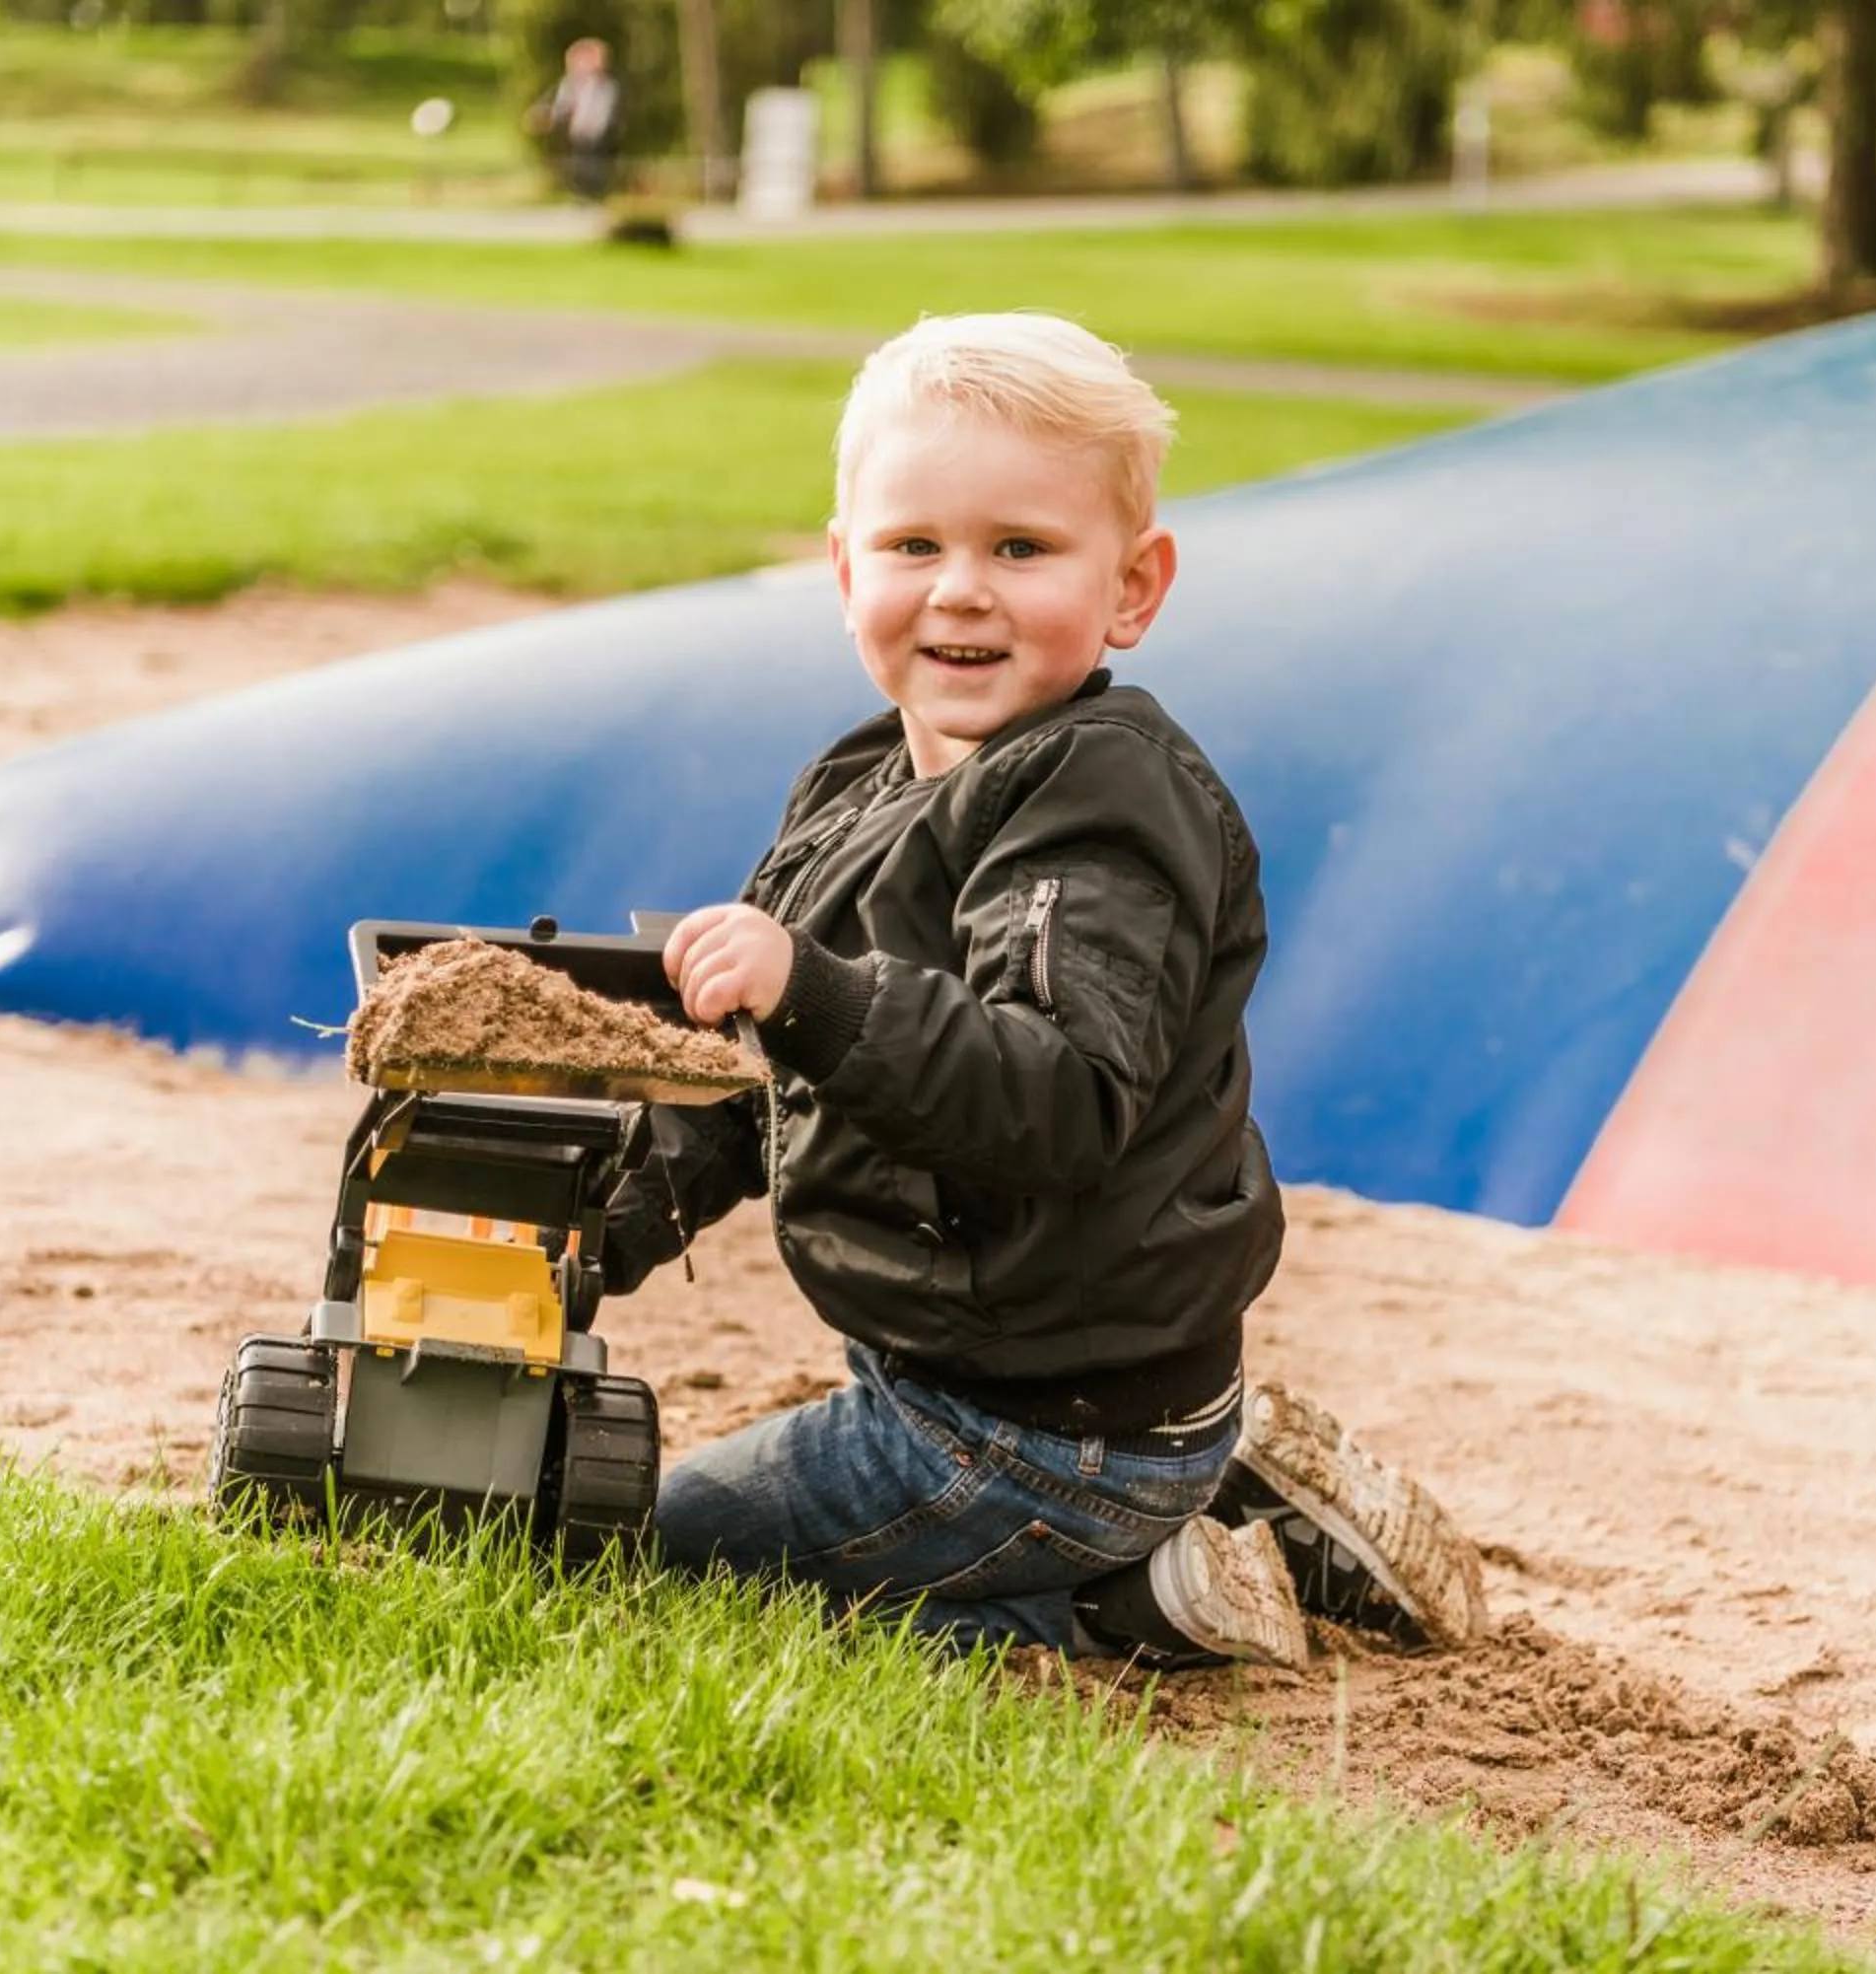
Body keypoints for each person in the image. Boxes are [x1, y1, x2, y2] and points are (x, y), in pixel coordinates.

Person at [597, 312, 1489, 1667]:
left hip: (1039, 1430)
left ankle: (1130, 1589)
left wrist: (813, 994)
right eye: (914, 546)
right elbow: (758, 1079)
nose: (961, 589)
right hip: (990, 1377)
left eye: (1021, 547)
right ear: (843, 569)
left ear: (1132, 588)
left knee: (645, 1553)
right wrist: (593, 1232)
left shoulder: (1106, 805)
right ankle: (1225, 1486)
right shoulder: (858, 785)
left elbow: (1061, 1096)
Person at [526, 35, 622, 204]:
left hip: (599, 133)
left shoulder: (607, 85)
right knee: (580, 165)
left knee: (596, 166)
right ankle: (582, 196)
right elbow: (562, 106)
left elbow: (606, 110)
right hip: (579, 132)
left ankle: (596, 196)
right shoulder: (571, 84)